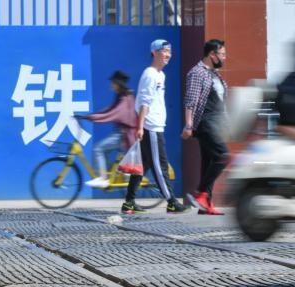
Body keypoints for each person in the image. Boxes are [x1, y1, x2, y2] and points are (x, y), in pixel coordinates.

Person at [122, 39, 191, 215]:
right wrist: (140, 127)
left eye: (169, 51)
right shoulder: (150, 74)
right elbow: (144, 102)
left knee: (143, 165)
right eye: (164, 51)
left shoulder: (161, 75)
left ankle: (129, 202)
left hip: (156, 126)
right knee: (160, 166)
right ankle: (172, 202)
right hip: (150, 126)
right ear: (154, 53)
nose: (168, 55)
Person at [183, 39, 229, 216]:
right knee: (223, 156)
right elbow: (191, 100)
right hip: (205, 122)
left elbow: (221, 101)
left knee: (208, 162)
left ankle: (206, 205)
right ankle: (201, 193)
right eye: (222, 54)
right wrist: (188, 125)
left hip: (217, 123)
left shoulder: (215, 74)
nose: (224, 57)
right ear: (212, 55)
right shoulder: (197, 73)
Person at [81, 70, 137, 189]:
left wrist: (92, 117)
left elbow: (113, 113)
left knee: (97, 148)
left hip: (125, 135)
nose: (111, 85)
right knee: (104, 151)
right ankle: (113, 174)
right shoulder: (122, 96)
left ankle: (102, 178)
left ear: (118, 84)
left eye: (113, 83)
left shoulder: (126, 98)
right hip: (123, 133)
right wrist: (90, 116)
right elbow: (109, 109)